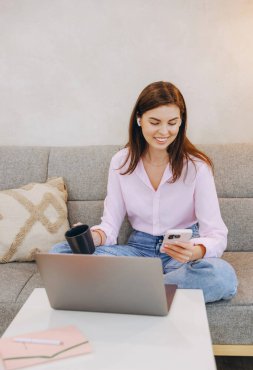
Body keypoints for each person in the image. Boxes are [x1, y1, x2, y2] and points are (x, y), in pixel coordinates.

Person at [50, 80, 238, 303]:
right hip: (139, 250)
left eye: (172, 123)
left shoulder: (197, 167)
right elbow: (110, 227)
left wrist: (195, 251)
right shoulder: (121, 162)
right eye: (155, 122)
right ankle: (159, 291)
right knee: (59, 253)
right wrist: (93, 237)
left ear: (181, 123)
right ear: (139, 119)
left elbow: (216, 235)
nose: (164, 131)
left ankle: (136, 290)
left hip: (181, 253)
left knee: (221, 275)